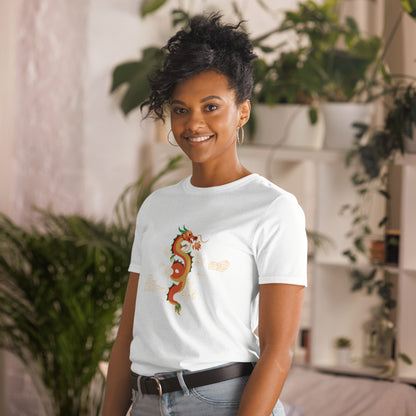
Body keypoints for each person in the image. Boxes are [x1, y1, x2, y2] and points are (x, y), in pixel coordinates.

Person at [101, 13, 307, 416]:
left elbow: (278, 349)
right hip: (145, 401)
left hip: (222, 401)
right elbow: (128, 333)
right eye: (180, 110)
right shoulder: (156, 207)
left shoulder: (273, 208)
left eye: (211, 107)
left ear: (242, 111)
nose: (193, 123)